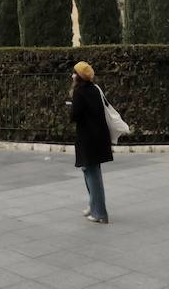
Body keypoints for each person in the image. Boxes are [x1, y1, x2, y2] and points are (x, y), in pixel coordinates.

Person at [68, 61, 111, 224]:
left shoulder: (79, 92)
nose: (72, 76)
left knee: (93, 174)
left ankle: (100, 213)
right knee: (90, 171)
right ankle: (93, 205)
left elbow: (75, 116)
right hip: (99, 136)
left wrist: (71, 107)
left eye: (74, 73)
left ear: (79, 77)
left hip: (88, 138)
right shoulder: (95, 89)